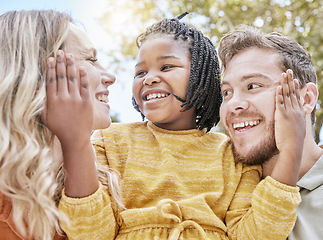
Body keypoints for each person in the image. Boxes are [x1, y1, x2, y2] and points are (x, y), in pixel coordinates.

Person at [58, 13, 304, 240]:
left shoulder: (232, 155)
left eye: (166, 67)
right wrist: (75, 142)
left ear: (201, 79)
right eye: (140, 72)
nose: (149, 78)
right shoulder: (109, 141)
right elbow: (91, 232)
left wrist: (291, 150)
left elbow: (257, 234)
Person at [0, 10, 118, 240]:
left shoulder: (100, 185)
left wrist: (77, 142)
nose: (110, 76)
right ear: (37, 74)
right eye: (91, 60)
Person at [218, 25, 323, 239]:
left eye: (253, 86)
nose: (233, 104)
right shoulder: (217, 192)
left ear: (306, 99)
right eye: (226, 92)